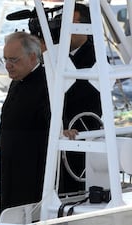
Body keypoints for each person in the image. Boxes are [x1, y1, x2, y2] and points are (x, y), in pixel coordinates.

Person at [0, 31, 50, 213]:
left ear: (32, 57)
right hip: (11, 167)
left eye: (14, 60)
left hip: (32, 172)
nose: (8, 66)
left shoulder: (46, 83)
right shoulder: (18, 80)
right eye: (5, 59)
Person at [60, 3, 102, 194]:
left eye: (70, 24)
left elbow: (82, 96)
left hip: (81, 137)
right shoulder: (60, 56)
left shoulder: (95, 58)